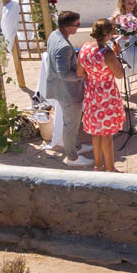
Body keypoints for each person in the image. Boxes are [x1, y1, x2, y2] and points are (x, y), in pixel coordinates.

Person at [39, 10, 92, 166]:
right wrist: (82, 76)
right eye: (77, 25)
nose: (78, 27)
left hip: (59, 88)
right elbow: (63, 73)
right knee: (71, 123)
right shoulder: (64, 47)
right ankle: (72, 157)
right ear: (68, 26)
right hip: (67, 91)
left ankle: (76, 147)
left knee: (73, 121)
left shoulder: (53, 35)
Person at [76, 19, 130, 172]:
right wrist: (117, 55)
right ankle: (111, 168)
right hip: (107, 95)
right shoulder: (107, 54)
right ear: (107, 34)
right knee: (107, 134)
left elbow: (80, 72)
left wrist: (94, 76)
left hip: (92, 93)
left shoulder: (85, 48)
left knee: (96, 132)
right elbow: (119, 74)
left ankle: (98, 165)